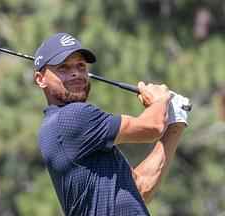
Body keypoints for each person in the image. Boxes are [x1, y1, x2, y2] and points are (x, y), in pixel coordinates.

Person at [34, 32, 189, 216]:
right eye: (63, 67)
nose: (75, 72)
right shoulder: (73, 116)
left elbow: (141, 189)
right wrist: (160, 100)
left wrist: (175, 124)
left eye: (80, 65)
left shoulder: (71, 131)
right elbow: (152, 127)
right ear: (40, 79)